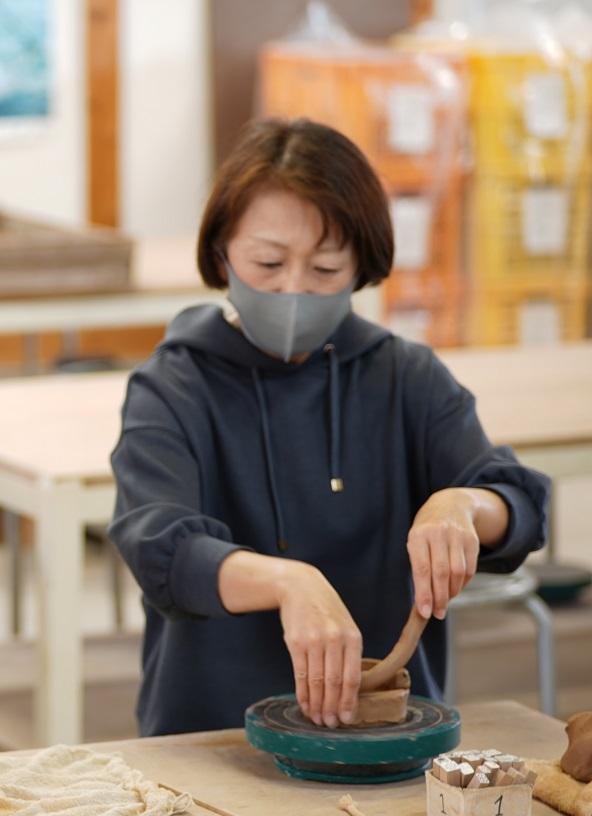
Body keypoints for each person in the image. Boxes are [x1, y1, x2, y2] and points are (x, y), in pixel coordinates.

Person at [108, 118, 550, 737]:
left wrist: (463, 507)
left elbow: (520, 504)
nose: (293, 290)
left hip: (390, 734)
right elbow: (161, 547)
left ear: (362, 268)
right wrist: (289, 583)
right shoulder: (175, 386)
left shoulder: (405, 376)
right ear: (220, 254)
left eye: (324, 269)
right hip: (210, 735)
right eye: (267, 262)